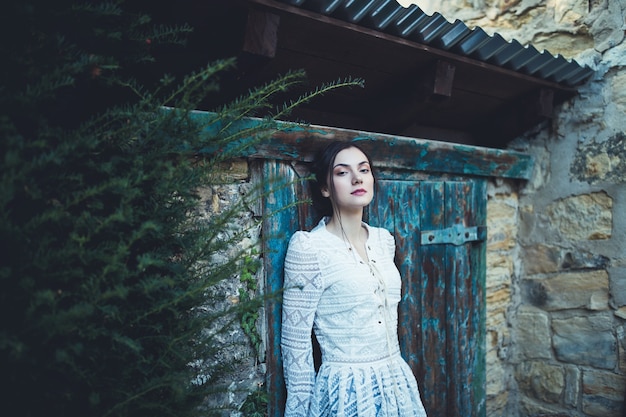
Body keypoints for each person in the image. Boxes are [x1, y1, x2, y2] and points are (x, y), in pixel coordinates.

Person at [281, 141, 428, 417]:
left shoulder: (384, 241)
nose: (357, 178)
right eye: (342, 172)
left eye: (364, 169)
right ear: (325, 188)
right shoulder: (309, 247)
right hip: (345, 388)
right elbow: (296, 343)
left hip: (395, 381)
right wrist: (299, 411)